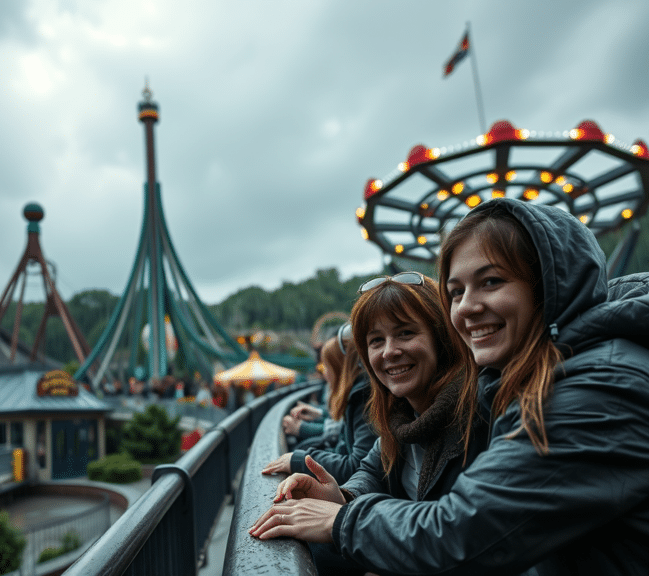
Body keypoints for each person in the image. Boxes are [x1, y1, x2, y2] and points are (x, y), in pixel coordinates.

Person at [252, 197, 649, 575]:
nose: (468, 307)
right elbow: (375, 467)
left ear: (549, 286)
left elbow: (465, 531)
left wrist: (342, 519)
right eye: (456, 292)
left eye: (491, 281)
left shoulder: (594, 388)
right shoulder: (499, 383)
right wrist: (344, 499)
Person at [252, 271, 485, 575]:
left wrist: (341, 519)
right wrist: (341, 496)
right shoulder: (399, 418)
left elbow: (459, 530)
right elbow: (371, 472)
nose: (389, 351)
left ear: (442, 338)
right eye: (376, 341)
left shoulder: (479, 415)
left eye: (405, 333)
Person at [261, 335, 376, 484]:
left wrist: (300, 458)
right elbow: (342, 431)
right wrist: (320, 414)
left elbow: (356, 466)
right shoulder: (357, 395)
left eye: (325, 367)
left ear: (339, 368)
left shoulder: (362, 398)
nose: (323, 373)